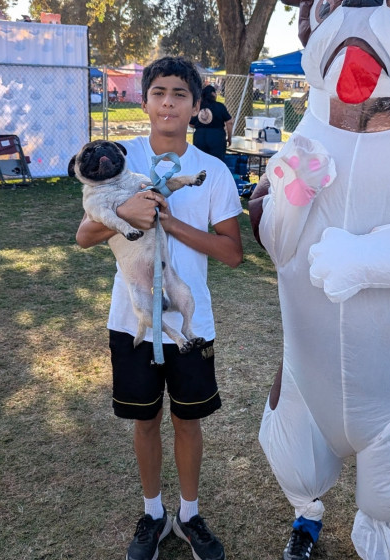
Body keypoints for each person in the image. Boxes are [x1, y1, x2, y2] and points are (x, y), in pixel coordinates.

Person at [76, 56, 243, 560]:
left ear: (196, 106)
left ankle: (189, 515)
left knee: (188, 421)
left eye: (179, 94)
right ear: (145, 101)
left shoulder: (214, 171)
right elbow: (84, 234)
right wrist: (123, 212)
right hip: (131, 320)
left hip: (191, 324)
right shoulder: (117, 158)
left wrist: (170, 223)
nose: (168, 102)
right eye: (159, 93)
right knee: (145, 420)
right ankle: (153, 514)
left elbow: (232, 252)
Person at [189, 85, 233, 161]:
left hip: (200, 137)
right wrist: (229, 137)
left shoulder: (198, 107)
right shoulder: (219, 106)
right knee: (217, 161)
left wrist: (201, 125)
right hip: (216, 137)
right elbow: (229, 122)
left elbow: (191, 124)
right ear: (213, 94)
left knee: (200, 161)